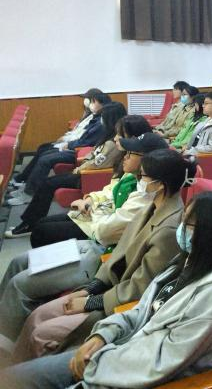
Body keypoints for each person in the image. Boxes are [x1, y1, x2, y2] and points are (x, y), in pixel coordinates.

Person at [4, 192, 212, 389]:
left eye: (188, 224)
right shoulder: (188, 261)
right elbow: (143, 309)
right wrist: (103, 335)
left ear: (211, 233)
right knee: (16, 378)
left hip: (138, 374)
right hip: (122, 351)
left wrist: (100, 360)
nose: (181, 228)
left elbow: (165, 360)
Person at [0, 149, 190, 354]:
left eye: (142, 176)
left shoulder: (168, 229)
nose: (138, 180)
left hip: (118, 304)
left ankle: (12, 366)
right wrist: (91, 288)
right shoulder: (152, 206)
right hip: (108, 284)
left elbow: (139, 288)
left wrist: (92, 301)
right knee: (38, 315)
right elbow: (119, 254)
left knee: (40, 332)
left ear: (159, 184)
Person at [29, 120, 159, 248]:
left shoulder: (146, 190)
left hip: (101, 229)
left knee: (41, 232)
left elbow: (108, 229)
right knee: (41, 224)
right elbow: (110, 190)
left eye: (131, 153)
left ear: (147, 159)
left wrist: (92, 209)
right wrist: (90, 200)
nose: (125, 156)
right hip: (99, 214)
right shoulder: (131, 174)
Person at [6, 103, 128, 238]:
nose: (101, 120)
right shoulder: (108, 136)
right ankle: (29, 222)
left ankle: (29, 224)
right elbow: (93, 154)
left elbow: (97, 164)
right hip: (83, 171)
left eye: (104, 117)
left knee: (47, 184)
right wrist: (82, 165)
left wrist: (79, 168)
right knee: (47, 183)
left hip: (88, 177)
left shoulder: (112, 142)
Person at [7, 93, 111, 207]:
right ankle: (27, 186)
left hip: (77, 151)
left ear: (103, 104)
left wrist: (69, 145)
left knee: (45, 159)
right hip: (76, 148)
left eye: (94, 102)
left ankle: (28, 194)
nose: (91, 104)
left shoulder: (101, 122)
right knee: (45, 153)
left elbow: (85, 142)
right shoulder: (94, 117)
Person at [183, 92, 212, 157]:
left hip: (199, 157)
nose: (203, 106)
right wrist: (187, 147)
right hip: (191, 152)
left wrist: (192, 151)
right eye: (203, 103)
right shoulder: (209, 119)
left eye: (206, 103)